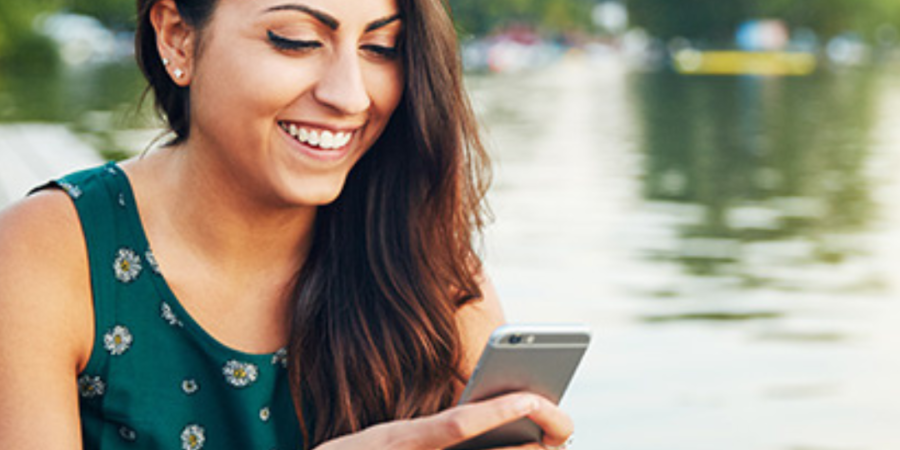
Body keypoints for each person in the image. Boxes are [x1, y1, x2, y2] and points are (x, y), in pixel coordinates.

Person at [0, 0, 574, 449]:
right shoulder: (49, 253)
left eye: (381, 47)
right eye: (295, 41)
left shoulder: (422, 260)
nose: (350, 96)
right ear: (178, 36)